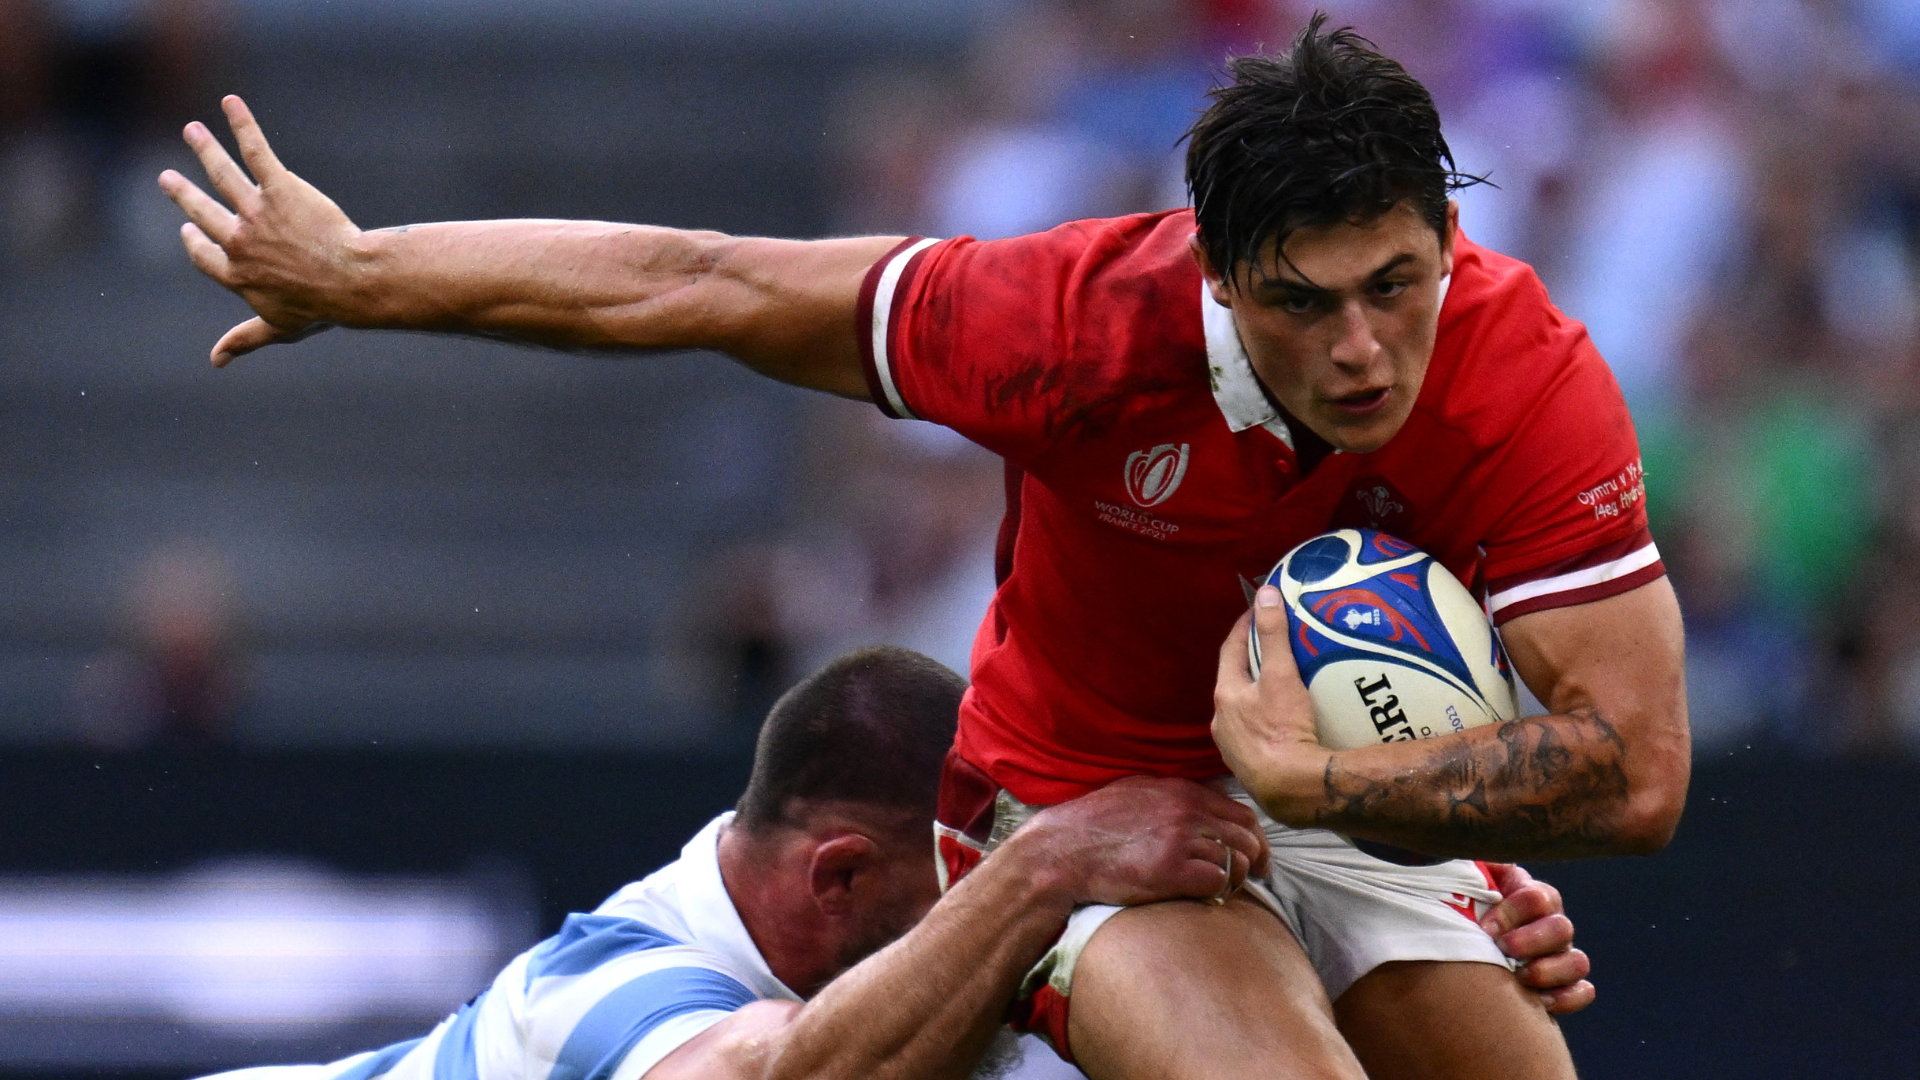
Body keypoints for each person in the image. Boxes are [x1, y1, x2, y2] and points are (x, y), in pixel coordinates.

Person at [159, 15, 1667, 1080]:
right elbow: (701, 283)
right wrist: (364, 272)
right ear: (1215, 276)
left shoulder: (1526, 378)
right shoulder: (1071, 325)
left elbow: (1639, 774)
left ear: (1448, 236)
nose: (1360, 349)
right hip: (1072, 810)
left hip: (1323, 798)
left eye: (1395, 283)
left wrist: (1340, 796)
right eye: (1301, 301)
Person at [201, 647, 1591, 1080]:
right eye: (972, 875)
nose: (1027, 916)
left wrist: (1437, 931)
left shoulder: (936, 977)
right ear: (840, 881)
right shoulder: (598, 994)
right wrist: (1037, 875)